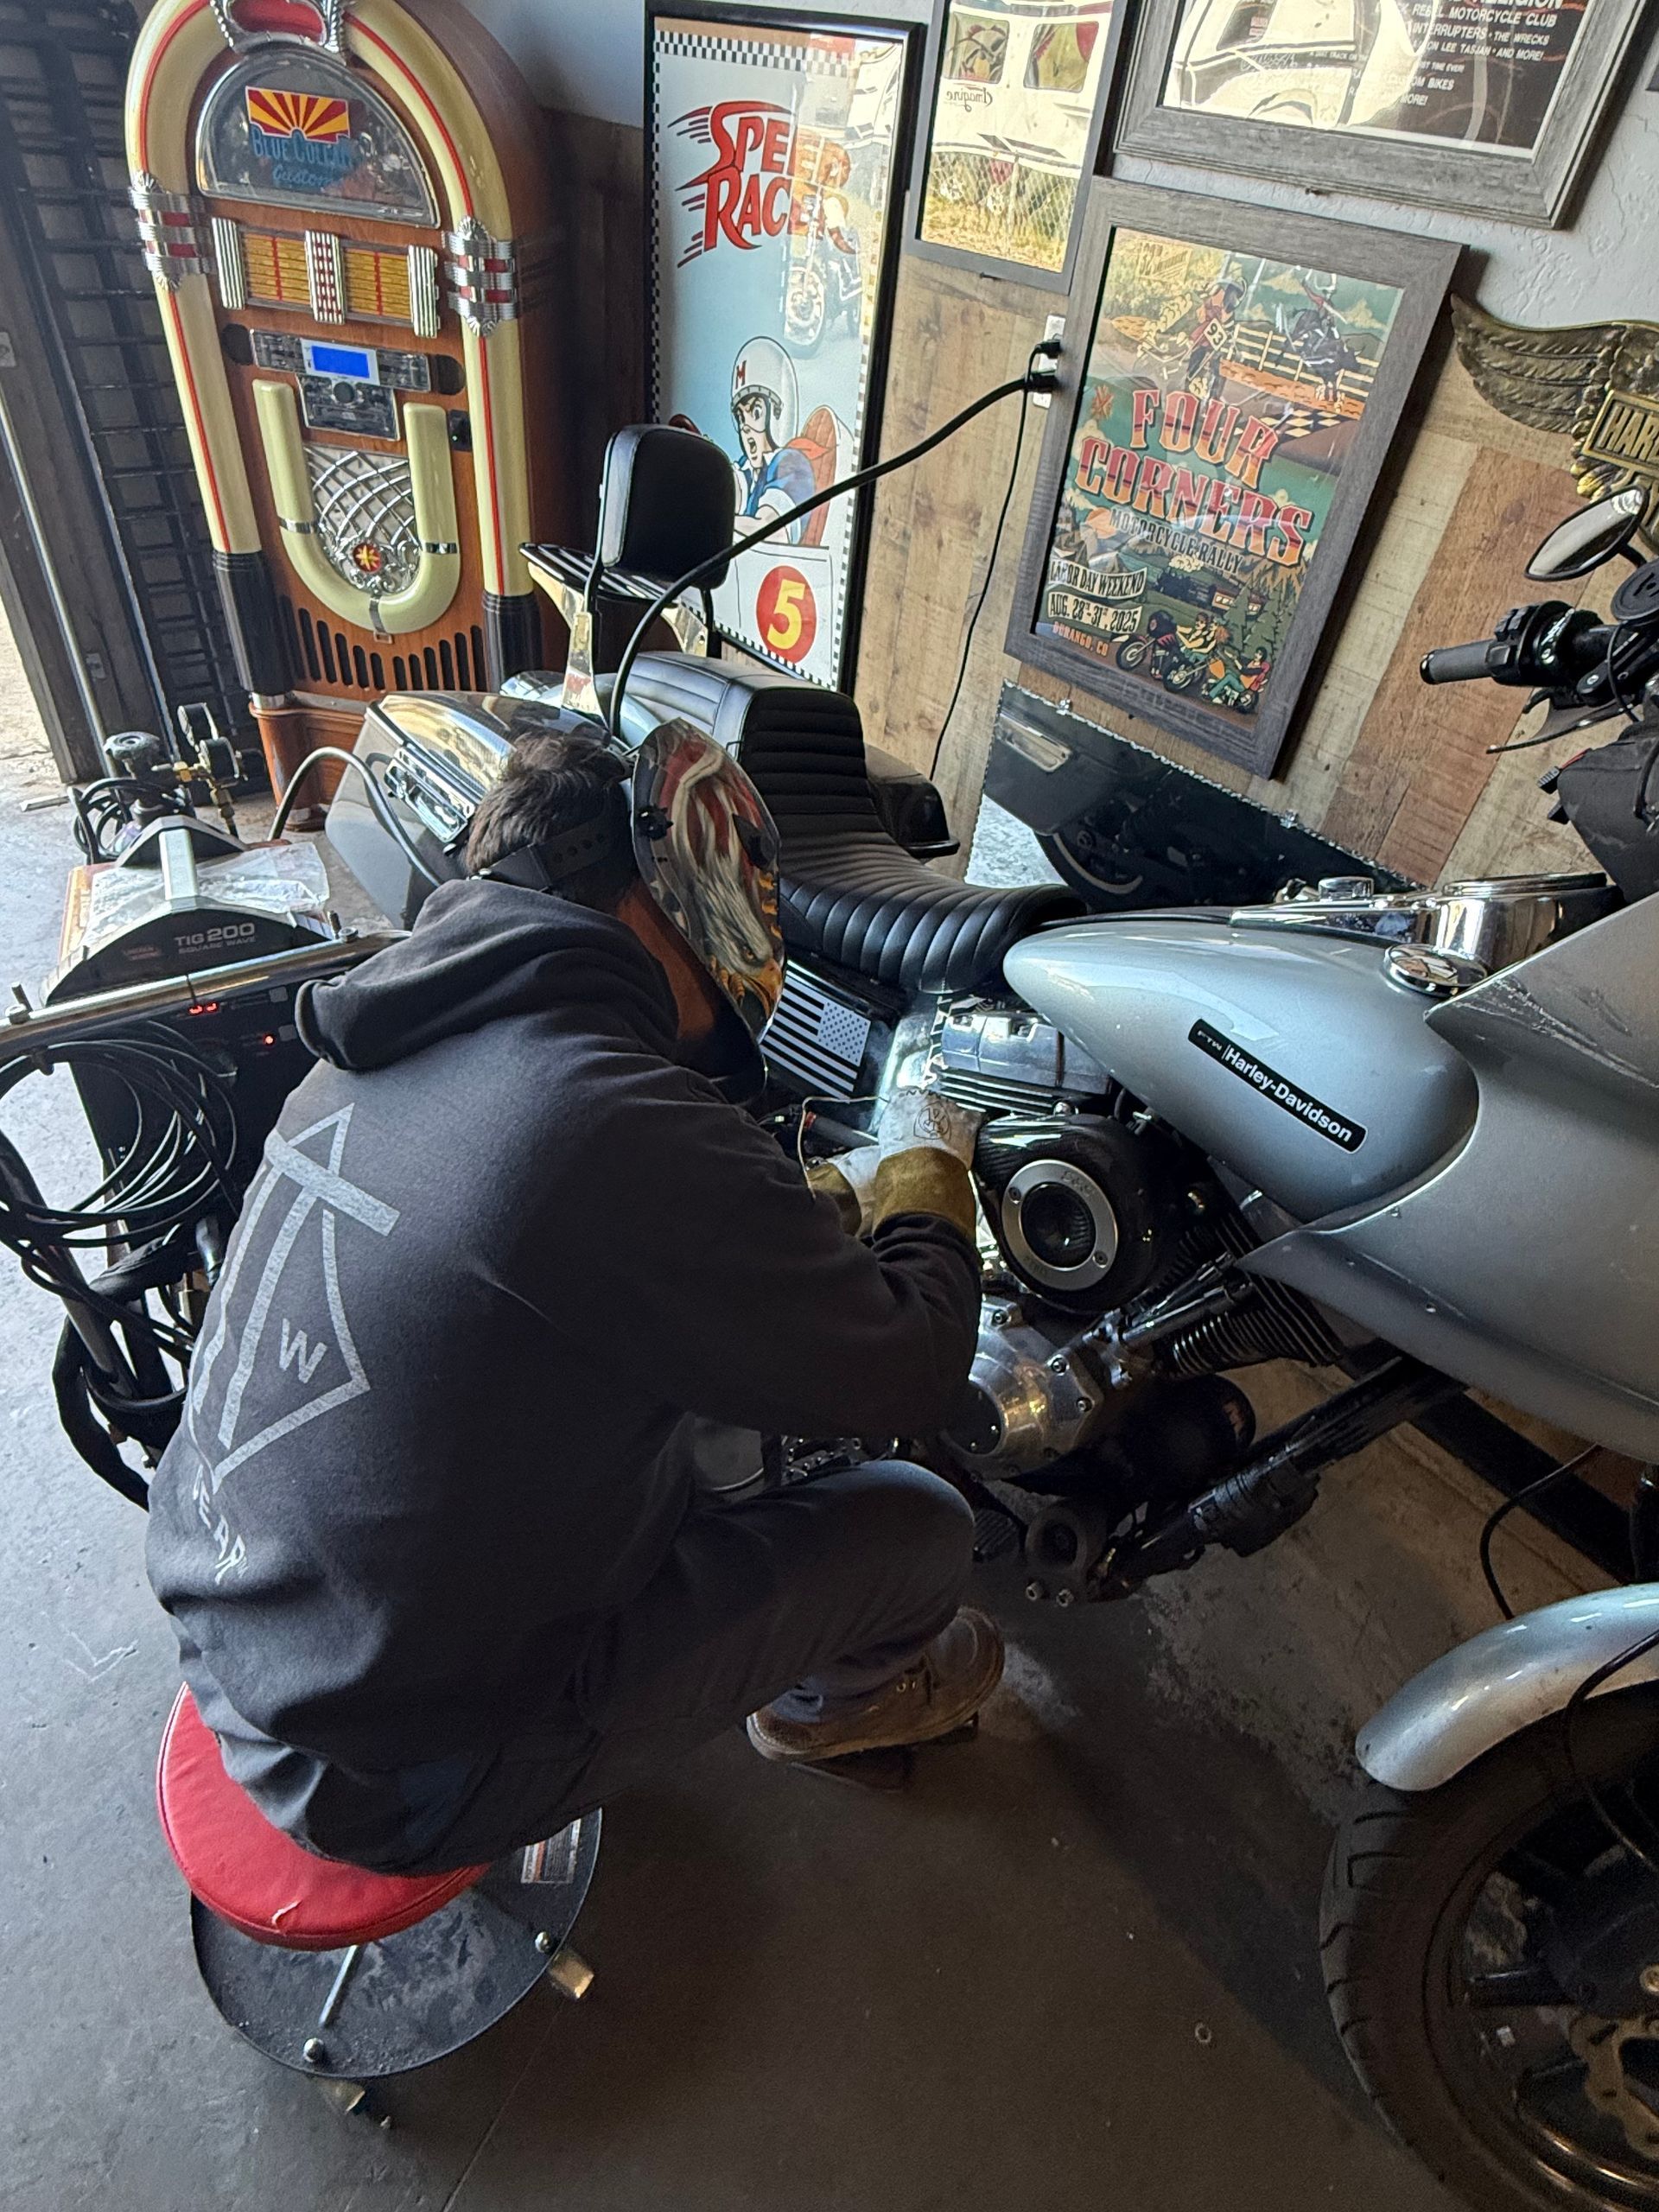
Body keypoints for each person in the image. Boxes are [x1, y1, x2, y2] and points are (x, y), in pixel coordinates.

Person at [145, 710, 1002, 1874]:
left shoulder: (380, 1034)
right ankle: (826, 1716)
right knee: (917, 1522)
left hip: (245, 1626)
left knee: (686, 1427)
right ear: (672, 892)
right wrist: (927, 1183)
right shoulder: (604, 1119)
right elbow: (909, 1362)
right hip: (398, 1771)